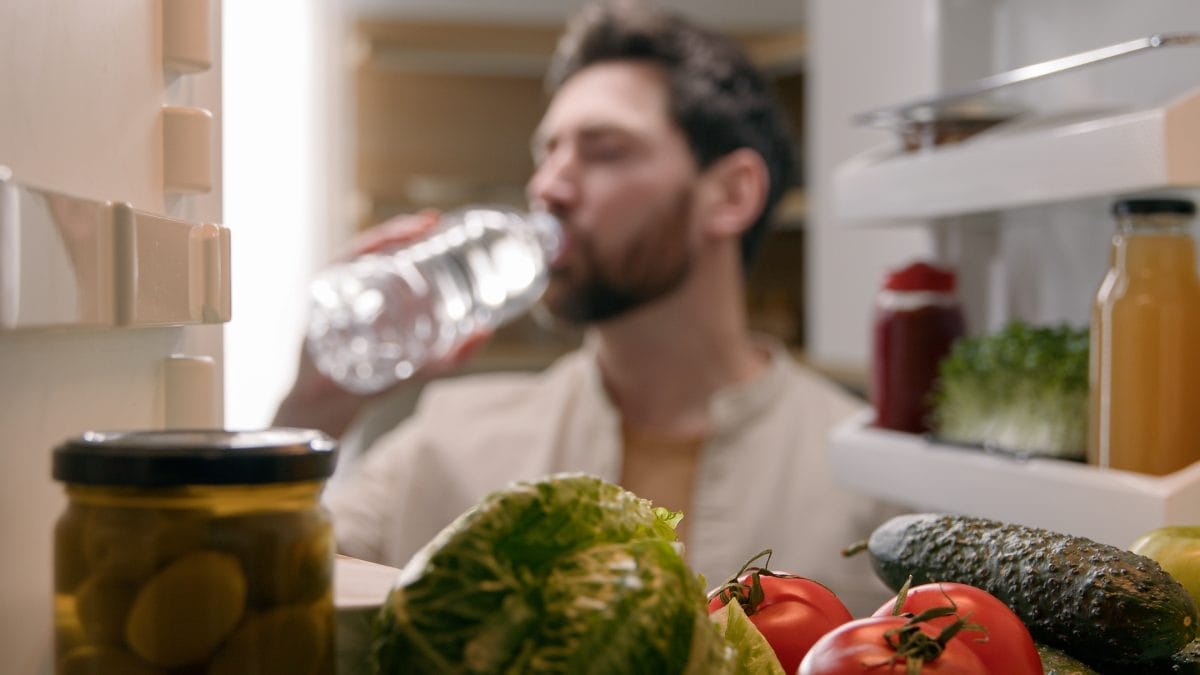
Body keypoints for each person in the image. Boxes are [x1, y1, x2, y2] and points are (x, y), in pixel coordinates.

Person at [275, 0, 900, 614]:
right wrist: (312, 409)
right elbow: (243, 595)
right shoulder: (443, 446)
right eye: (547, 153)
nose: (547, 187)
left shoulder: (869, 481)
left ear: (732, 194)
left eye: (604, 151)